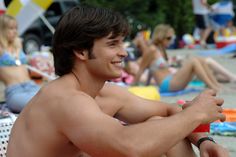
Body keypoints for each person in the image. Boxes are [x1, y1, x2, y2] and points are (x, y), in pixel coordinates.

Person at [7, 6, 228, 157]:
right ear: (81, 51)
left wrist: (205, 142)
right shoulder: (65, 100)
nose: (124, 52)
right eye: (113, 44)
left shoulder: (105, 93)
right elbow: (129, 146)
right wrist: (196, 113)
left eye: (123, 43)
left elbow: (171, 111)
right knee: (150, 133)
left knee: (156, 123)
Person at [133, 24, 223, 92]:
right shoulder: (151, 50)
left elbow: (152, 70)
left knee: (200, 59)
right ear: (160, 37)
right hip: (167, 84)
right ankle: (213, 87)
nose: (171, 41)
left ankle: (216, 85)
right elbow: (142, 69)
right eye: (168, 38)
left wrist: (147, 85)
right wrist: (133, 86)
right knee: (193, 60)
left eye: (172, 38)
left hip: (172, 80)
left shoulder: (161, 50)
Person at [0, 14, 40, 113]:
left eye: (16, 28)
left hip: (31, 85)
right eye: (11, 28)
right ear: (2, 29)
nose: (15, 31)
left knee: (54, 101)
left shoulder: (18, 44)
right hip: (15, 91)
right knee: (39, 106)